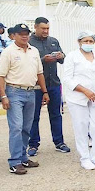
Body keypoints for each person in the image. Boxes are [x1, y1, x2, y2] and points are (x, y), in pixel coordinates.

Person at [0, 23, 48, 175]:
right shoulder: (8, 52)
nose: (24, 36)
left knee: (27, 127)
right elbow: (0, 75)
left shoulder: (34, 51)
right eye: (21, 34)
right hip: (14, 92)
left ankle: (23, 157)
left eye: (26, 33)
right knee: (16, 127)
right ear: (14, 36)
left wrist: (44, 91)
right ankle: (14, 162)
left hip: (31, 92)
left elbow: (40, 73)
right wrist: (3, 96)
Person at [63, 31, 95, 170]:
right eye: (86, 41)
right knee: (81, 126)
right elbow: (67, 78)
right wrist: (84, 90)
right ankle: (85, 157)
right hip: (78, 98)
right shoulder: (72, 56)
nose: (88, 44)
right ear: (79, 42)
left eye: (91, 41)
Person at [28, 17, 70, 156]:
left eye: (47, 28)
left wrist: (60, 55)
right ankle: (33, 144)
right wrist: (42, 60)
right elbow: (27, 63)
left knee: (56, 114)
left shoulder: (53, 41)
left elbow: (63, 59)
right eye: (43, 28)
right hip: (36, 86)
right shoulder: (29, 43)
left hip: (54, 84)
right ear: (35, 27)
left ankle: (59, 142)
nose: (46, 31)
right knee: (34, 116)